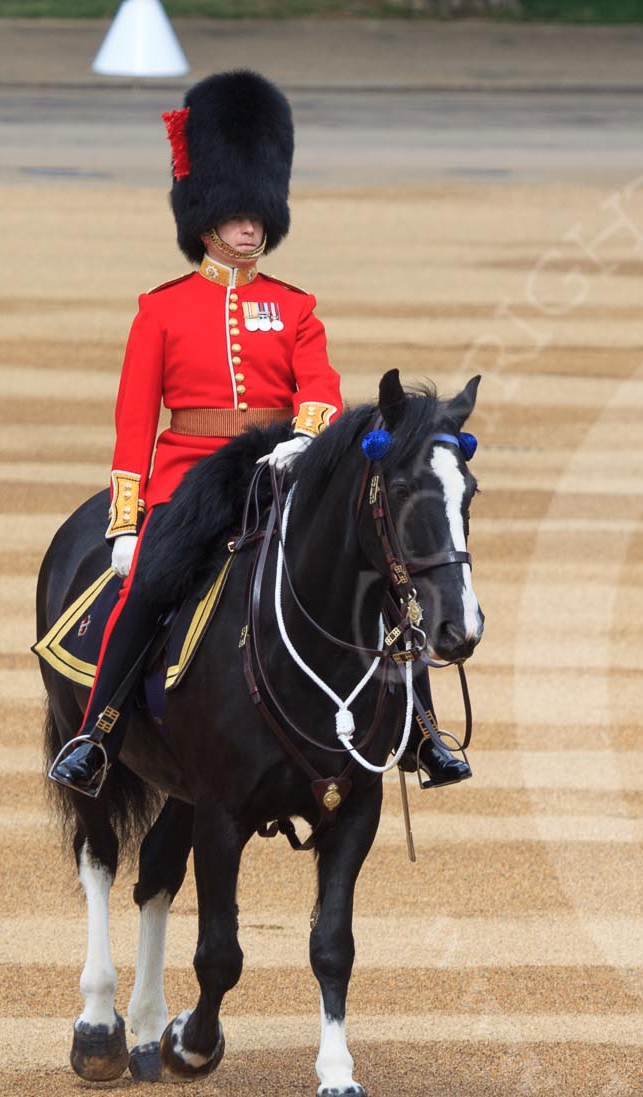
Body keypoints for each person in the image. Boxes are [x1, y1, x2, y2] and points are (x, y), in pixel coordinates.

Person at [47, 71, 470, 796]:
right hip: (191, 479)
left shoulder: (295, 306)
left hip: (281, 471)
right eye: (238, 214)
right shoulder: (161, 311)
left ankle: (423, 731)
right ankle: (99, 731)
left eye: (259, 215)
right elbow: (133, 420)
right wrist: (125, 521)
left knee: (379, 572)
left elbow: (322, 386)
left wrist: (306, 439)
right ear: (205, 217)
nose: (252, 227)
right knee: (147, 588)